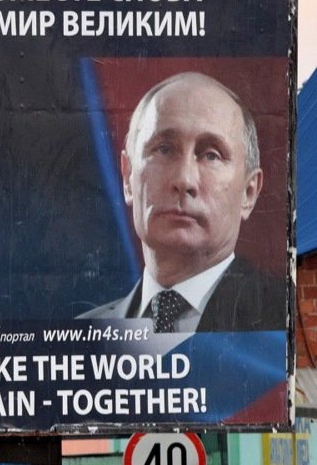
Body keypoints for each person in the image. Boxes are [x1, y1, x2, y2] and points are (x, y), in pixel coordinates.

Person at [78, 71, 284, 332]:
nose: (184, 179)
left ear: (249, 192)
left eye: (211, 155)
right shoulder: (82, 336)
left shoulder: (281, 322)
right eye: (164, 149)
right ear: (128, 177)